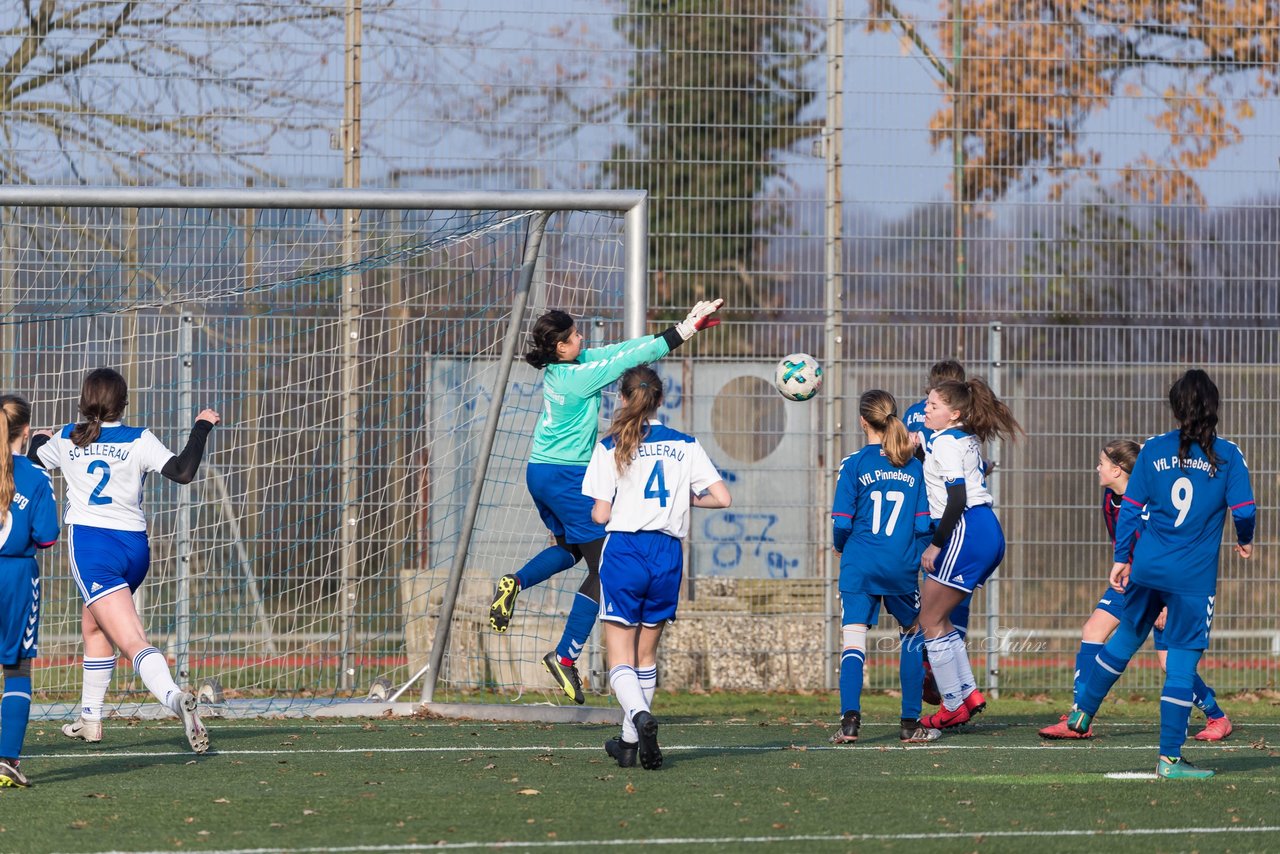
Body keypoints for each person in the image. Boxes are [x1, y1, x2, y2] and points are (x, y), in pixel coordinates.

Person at [488, 300, 723, 704]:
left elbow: (622, 351)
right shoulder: (578, 379)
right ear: (560, 347)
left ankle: (517, 581)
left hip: (541, 471)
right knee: (607, 567)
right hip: (566, 475)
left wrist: (675, 329)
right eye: (574, 335)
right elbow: (625, 363)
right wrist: (684, 332)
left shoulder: (563, 370)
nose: (582, 338)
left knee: (571, 549)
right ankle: (565, 656)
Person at [1067, 370, 1253, 779]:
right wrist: (1245, 539)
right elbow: (1245, 511)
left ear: (1175, 408)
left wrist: (1121, 558)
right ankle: (1169, 759)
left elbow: (1132, 507)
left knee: (1125, 640)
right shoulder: (1228, 455)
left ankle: (1082, 712)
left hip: (1147, 569)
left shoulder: (1152, 449)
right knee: (1182, 662)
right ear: (1214, 408)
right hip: (1192, 579)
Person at [28, 368, 219, 754]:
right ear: (124, 403)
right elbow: (183, 472)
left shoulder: (68, 437)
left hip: (94, 550)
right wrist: (201, 426)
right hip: (134, 550)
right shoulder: (139, 439)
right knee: (94, 627)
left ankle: (173, 698)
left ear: (84, 401)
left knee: (131, 640)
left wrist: (38, 438)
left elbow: (33, 457)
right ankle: (90, 719)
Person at [581, 366, 730, 769]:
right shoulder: (686, 445)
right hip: (667, 554)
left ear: (625, 399)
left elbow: (600, 513)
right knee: (646, 655)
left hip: (626, 550)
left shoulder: (611, 443)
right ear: (661, 400)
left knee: (619, 660)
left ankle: (640, 717)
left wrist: (600, 512)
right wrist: (687, 500)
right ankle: (630, 744)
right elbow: (722, 497)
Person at [1039, 440, 1231, 740]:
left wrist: (1166, 602)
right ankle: (1080, 714)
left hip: (1162, 586)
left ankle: (1216, 716)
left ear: (1117, 470)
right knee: (1092, 630)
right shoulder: (1111, 498)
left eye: (1102, 462)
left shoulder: (1151, 504)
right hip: (1131, 581)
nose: (1097, 467)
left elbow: (1167, 551)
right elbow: (1122, 543)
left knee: (1170, 662)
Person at [830, 390, 939, 745]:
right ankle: (910, 723)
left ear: (863, 421)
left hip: (860, 565)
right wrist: (912, 557)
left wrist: (842, 547)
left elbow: (843, 523)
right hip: (900, 567)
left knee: (853, 641)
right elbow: (924, 526)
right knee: (911, 636)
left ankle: (849, 724)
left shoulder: (854, 464)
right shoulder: (914, 465)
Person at [916, 378, 1023, 730]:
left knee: (929, 621)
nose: (926, 409)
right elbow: (940, 472)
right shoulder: (962, 438)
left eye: (933, 405)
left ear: (955, 413)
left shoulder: (946, 440)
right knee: (941, 620)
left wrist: (936, 544)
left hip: (967, 528)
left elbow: (957, 499)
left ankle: (951, 706)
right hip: (985, 530)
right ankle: (968, 693)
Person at [0, 395, 59, 788]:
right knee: (16, 670)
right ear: (25, 431)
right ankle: (6, 760)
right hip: (16, 578)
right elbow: (47, 537)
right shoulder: (36, 478)